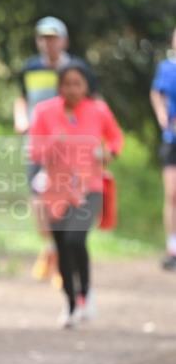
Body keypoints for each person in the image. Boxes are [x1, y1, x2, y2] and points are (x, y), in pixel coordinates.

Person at [30, 63, 123, 328]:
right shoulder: (44, 111)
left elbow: (116, 139)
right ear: (59, 86)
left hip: (90, 187)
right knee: (61, 245)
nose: (72, 89)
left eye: (77, 83)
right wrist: (53, 143)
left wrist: (109, 153)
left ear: (86, 86)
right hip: (56, 189)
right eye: (66, 83)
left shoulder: (98, 110)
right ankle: (70, 304)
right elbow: (35, 150)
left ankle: (86, 294)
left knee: (75, 239)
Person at [15, 17, 76, 283]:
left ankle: (62, 256)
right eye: (43, 38)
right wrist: (20, 118)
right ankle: (51, 249)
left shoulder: (75, 69)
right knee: (38, 200)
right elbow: (21, 97)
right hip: (37, 144)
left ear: (64, 40)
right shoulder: (29, 68)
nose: (47, 43)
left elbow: (91, 103)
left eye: (53, 38)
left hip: (67, 147)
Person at [149, 28, 176, 271]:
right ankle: (172, 246)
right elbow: (157, 94)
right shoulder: (167, 68)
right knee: (172, 193)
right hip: (172, 139)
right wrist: (162, 117)